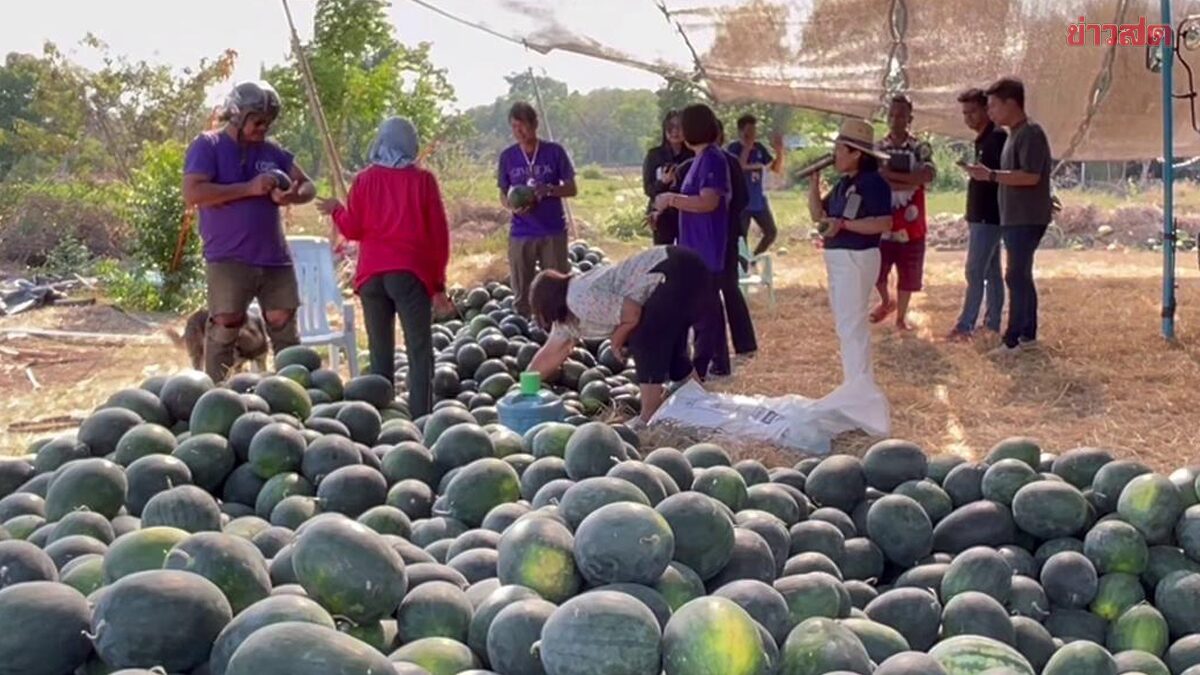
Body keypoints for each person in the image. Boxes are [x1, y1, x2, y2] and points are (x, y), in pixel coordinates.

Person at [316, 117, 454, 419]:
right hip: (409, 275)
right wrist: (437, 284)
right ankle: (421, 420)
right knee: (419, 351)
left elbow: (353, 230)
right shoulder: (422, 180)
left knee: (380, 355)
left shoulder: (364, 180)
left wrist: (337, 210)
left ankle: (380, 421)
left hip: (371, 277)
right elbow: (438, 236)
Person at [183, 80, 315, 383]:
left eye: (268, 122)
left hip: (274, 257)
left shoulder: (272, 151)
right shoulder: (208, 146)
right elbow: (193, 193)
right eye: (257, 121)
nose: (263, 128)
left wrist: (292, 196)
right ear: (236, 115)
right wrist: (248, 188)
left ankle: (294, 389)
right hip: (228, 256)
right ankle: (217, 392)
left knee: (282, 320)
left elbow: (308, 185)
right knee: (226, 322)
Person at [526, 245, 711, 427]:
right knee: (670, 349)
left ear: (549, 304)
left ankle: (649, 415)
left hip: (677, 269)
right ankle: (700, 400)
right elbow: (550, 354)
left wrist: (617, 340)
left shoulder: (578, 299)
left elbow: (633, 313)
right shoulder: (567, 318)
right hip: (682, 267)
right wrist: (525, 388)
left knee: (645, 339)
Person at [966, 77, 1054, 354]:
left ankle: (1013, 339)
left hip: (1026, 217)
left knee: (1015, 275)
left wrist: (991, 175)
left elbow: (1030, 176)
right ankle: (1027, 335)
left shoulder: (1030, 133)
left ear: (1011, 103)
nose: (990, 111)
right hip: (1014, 216)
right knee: (1020, 275)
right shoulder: (1013, 135)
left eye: (993, 105)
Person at [807, 118, 894, 385]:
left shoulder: (874, 182)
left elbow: (884, 223)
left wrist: (844, 225)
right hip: (839, 257)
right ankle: (854, 382)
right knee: (846, 324)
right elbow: (818, 215)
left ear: (856, 153)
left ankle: (859, 385)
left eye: (839, 149)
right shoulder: (843, 183)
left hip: (857, 256)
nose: (834, 155)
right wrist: (813, 184)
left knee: (852, 325)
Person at [653, 104, 730, 379]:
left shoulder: (712, 159)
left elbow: (708, 202)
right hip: (694, 246)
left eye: (683, 126)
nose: (680, 132)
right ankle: (709, 365)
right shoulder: (700, 158)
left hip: (706, 246)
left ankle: (700, 368)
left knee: (704, 312)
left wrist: (671, 199)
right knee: (705, 309)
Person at [498, 102, 578, 316]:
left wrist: (549, 190)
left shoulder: (554, 152)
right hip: (521, 232)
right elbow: (503, 194)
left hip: (553, 231)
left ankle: (558, 329)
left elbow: (572, 189)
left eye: (523, 125)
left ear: (534, 124)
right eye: (514, 127)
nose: (519, 131)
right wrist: (512, 206)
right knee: (522, 293)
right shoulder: (507, 157)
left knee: (557, 291)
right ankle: (522, 330)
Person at [948, 88, 1008, 341]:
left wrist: (984, 175)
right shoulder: (984, 139)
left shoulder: (996, 138)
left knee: (975, 271)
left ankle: (966, 326)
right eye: (965, 113)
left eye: (972, 111)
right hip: (982, 214)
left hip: (989, 215)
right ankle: (991, 324)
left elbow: (1002, 176)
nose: (968, 118)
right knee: (991, 272)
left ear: (987, 109)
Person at [874, 95, 936, 331]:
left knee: (908, 269)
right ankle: (886, 301)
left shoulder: (920, 147)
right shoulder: (878, 148)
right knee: (877, 269)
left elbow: (928, 175)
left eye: (901, 115)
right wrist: (910, 180)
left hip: (911, 221)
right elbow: (874, 179)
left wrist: (890, 177)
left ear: (910, 118)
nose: (895, 119)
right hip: (883, 217)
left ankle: (901, 317)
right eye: (891, 114)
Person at [716, 120, 758, 358]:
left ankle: (743, 344)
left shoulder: (729, 161)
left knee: (728, 288)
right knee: (715, 292)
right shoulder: (691, 164)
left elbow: (741, 199)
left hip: (725, 234)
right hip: (707, 237)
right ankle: (718, 349)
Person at [727, 114, 785, 256]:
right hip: (742, 201)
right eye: (748, 131)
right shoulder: (734, 148)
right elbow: (738, 166)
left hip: (758, 199)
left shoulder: (759, 147)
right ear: (740, 131)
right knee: (741, 238)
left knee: (771, 232)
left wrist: (779, 152)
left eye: (754, 131)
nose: (752, 135)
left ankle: (755, 258)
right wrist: (747, 148)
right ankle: (743, 263)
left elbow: (775, 168)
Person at [642, 110, 694, 245]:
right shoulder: (654, 155)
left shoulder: (693, 155)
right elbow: (648, 189)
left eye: (679, 127)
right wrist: (662, 182)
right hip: (661, 214)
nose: (675, 131)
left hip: (687, 212)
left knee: (687, 252)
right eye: (670, 127)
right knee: (663, 252)